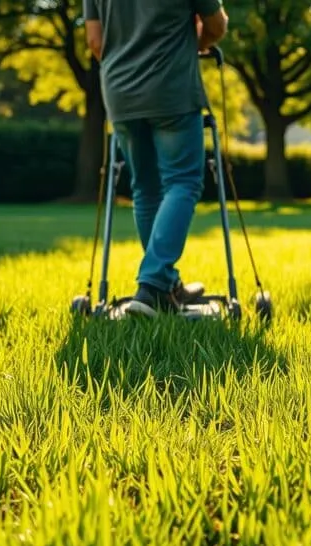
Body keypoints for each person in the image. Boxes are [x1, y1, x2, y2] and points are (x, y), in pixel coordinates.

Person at [83, 0, 229, 316]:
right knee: (183, 182)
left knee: (145, 189)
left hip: (120, 92)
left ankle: (167, 286)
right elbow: (216, 26)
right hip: (172, 89)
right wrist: (194, 45)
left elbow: (95, 42)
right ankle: (151, 285)